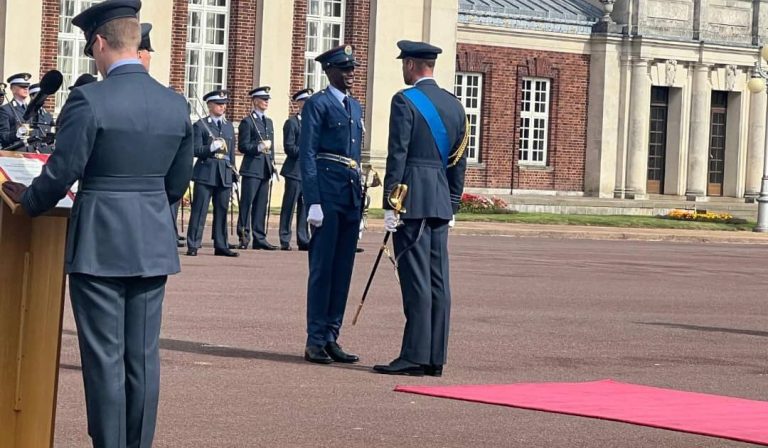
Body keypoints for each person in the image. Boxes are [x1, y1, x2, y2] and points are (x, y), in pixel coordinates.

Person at [1, 1, 193, 445]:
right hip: (152, 242)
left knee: (104, 358)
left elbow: (63, 169)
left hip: (101, 242)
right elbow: (177, 182)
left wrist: (27, 203)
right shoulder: (174, 102)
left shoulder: (89, 98)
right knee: (142, 357)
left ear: (101, 43)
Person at [372, 40, 468, 377]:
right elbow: (458, 161)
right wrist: (453, 202)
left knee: (415, 281)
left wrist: (390, 204)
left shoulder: (404, 100)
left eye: (404, 63)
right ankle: (434, 357)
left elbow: (397, 154)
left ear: (412, 65)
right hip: (440, 200)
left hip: (411, 199)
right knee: (438, 280)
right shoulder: (456, 106)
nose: (403, 69)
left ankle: (413, 355)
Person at [299, 44, 363, 364]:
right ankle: (315, 339)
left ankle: (332, 336)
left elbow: (356, 158)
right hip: (326, 192)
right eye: (345, 69)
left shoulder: (356, 107)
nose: (351, 73)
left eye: (353, 68)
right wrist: (313, 201)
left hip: (350, 194)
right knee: (323, 269)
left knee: (343, 269)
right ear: (330, 71)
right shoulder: (317, 104)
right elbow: (307, 154)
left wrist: (362, 205)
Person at [186, 90, 238, 257]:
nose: (222, 107)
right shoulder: (201, 126)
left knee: (222, 209)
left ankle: (221, 244)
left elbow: (231, 154)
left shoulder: (229, 126)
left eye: (223, 104)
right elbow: (194, 150)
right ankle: (193, 243)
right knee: (200, 209)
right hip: (206, 172)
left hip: (224, 172)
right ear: (209, 105)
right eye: (218, 104)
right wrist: (210, 148)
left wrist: (234, 175)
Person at [237, 86, 278, 250]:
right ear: (255, 101)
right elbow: (243, 146)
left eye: (267, 99)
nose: (266, 102)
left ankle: (259, 237)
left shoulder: (268, 122)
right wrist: (258, 147)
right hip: (252, 167)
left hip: (265, 168)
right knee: (247, 203)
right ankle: (244, 235)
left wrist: (273, 161)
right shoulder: (248, 121)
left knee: (261, 204)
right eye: (263, 99)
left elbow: (272, 146)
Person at [278, 88, 312, 251]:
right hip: (294, 170)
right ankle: (285, 238)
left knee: (305, 206)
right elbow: (289, 148)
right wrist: (306, 150)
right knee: (289, 205)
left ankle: (303, 238)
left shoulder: (313, 122)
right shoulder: (292, 123)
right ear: (299, 104)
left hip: (308, 172)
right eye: (305, 102)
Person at [0, 72, 32, 148]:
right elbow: (3, 136)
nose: (26, 89)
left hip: (30, 152)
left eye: (27, 86)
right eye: (22, 86)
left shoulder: (31, 109)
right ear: (13, 89)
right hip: (14, 152)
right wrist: (17, 133)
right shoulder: (5, 110)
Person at [27, 82, 55, 153]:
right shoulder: (26, 113)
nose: (43, 98)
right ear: (32, 96)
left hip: (44, 152)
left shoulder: (47, 115)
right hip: (30, 151)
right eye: (39, 95)